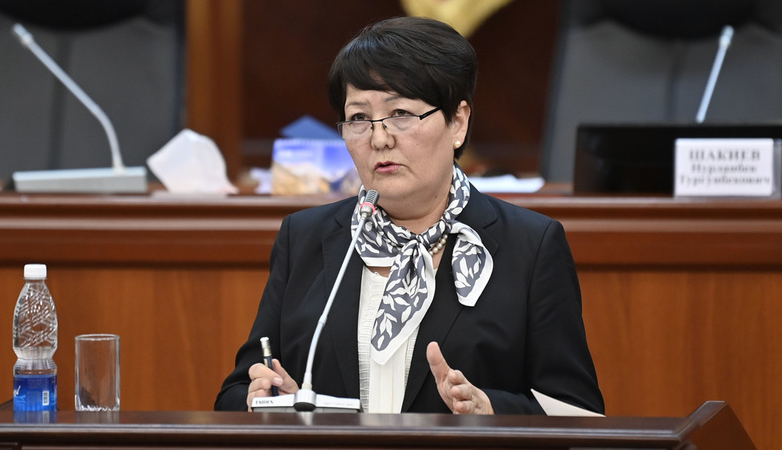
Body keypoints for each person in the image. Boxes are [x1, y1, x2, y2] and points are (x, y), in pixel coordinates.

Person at [215, 16, 604, 415]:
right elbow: (235, 394)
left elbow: (579, 411)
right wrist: (269, 400)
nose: (379, 138)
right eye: (359, 119)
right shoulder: (305, 237)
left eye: (401, 113)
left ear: (457, 122)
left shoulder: (530, 247)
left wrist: (490, 411)